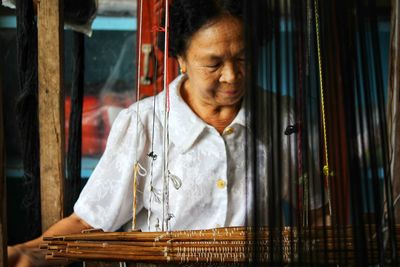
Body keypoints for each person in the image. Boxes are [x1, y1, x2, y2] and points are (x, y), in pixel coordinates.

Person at [8, 0, 324, 266]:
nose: (231, 76)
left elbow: (318, 214)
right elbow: (89, 222)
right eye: (213, 64)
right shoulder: (144, 125)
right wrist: (28, 253)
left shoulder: (284, 121)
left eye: (243, 58)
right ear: (182, 60)